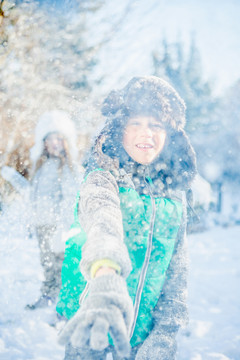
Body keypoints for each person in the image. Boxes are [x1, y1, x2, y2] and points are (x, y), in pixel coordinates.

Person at [56, 76, 197, 359]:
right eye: (136, 123)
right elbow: (102, 225)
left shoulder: (176, 197)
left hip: (142, 337)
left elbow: (176, 274)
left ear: (170, 134)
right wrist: (106, 274)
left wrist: (165, 334)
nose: (147, 134)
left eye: (156, 125)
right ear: (120, 129)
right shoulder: (102, 179)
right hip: (92, 317)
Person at [26, 110, 82, 310]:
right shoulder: (41, 167)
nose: (54, 143)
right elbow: (35, 196)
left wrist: (64, 227)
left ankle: (64, 303)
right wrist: (32, 221)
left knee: (60, 266)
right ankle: (48, 296)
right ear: (44, 143)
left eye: (59, 138)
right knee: (47, 264)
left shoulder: (66, 168)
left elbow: (69, 198)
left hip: (58, 226)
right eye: (50, 139)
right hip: (43, 225)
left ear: (65, 141)